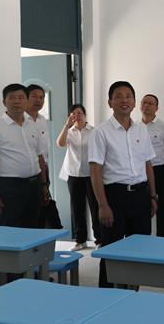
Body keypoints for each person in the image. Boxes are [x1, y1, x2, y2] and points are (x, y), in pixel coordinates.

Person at [89, 81, 158, 288]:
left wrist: (152, 196)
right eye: (118, 96)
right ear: (110, 103)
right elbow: (95, 171)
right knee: (111, 250)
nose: (124, 100)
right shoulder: (101, 132)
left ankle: (132, 294)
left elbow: (148, 164)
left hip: (140, 195)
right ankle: (106, 297)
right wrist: (102, 205)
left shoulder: (141, 130)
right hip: (114, 196)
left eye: (128, 96)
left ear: (134, 102)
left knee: (139, 250)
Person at [0, 83, 49, 228]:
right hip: (9, 187)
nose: (16, 101)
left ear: (26, 101)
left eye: (21, 98)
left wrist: (44, 184)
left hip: (34, 185)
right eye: (12, 98)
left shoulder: (33, 125)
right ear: (4, 102)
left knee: (33, 228)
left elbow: (39, 157)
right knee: (8, 229)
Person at [56, 104, 100, 251]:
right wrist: (66, 126)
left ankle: (99, 239)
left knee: (95, 207)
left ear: (85, 115)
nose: (77, 116)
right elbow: (60, 144)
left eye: (79, 113)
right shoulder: (69, 132)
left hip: (91, 174)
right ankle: (80, 240)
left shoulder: (94, 131)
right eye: (73, 114)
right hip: (74, 173)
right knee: (77, 208)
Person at [140, 94, 164, 237]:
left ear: (156, 108)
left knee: (160, 206)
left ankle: (162, 237)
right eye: (144, 102)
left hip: (158, 170)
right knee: (142, 204)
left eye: (150, 103)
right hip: (139, 172)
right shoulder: (134, 126)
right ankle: (143, 237)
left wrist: (163, 167)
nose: (146, 105)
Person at [26, 84, 51, 183]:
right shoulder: (20, 120)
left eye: (41, 97)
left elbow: (44, 146)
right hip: (27, 171)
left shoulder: (42, 119)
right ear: (26, 98)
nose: (38, 100)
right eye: (34, 96)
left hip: (43, 168)